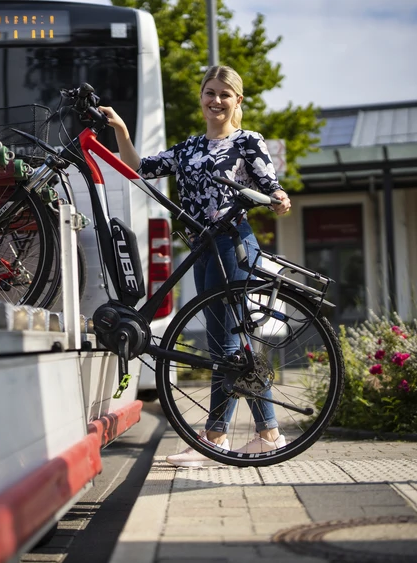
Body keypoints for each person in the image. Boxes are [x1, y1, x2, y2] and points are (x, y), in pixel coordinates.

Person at [99, 65, 292, 467]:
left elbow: (271, 186)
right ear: (201, 97)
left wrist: (279, 198)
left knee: (228, 344)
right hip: (203, 248)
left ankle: (215, 438)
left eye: (225, 94)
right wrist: (121, 130)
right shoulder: (189, 148)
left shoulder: (247, 141)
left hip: (233, 245)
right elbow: (139, 169)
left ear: (238, 100)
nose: (216, 100)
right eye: (210, 92)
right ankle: (269, 434)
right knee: (233, 345)